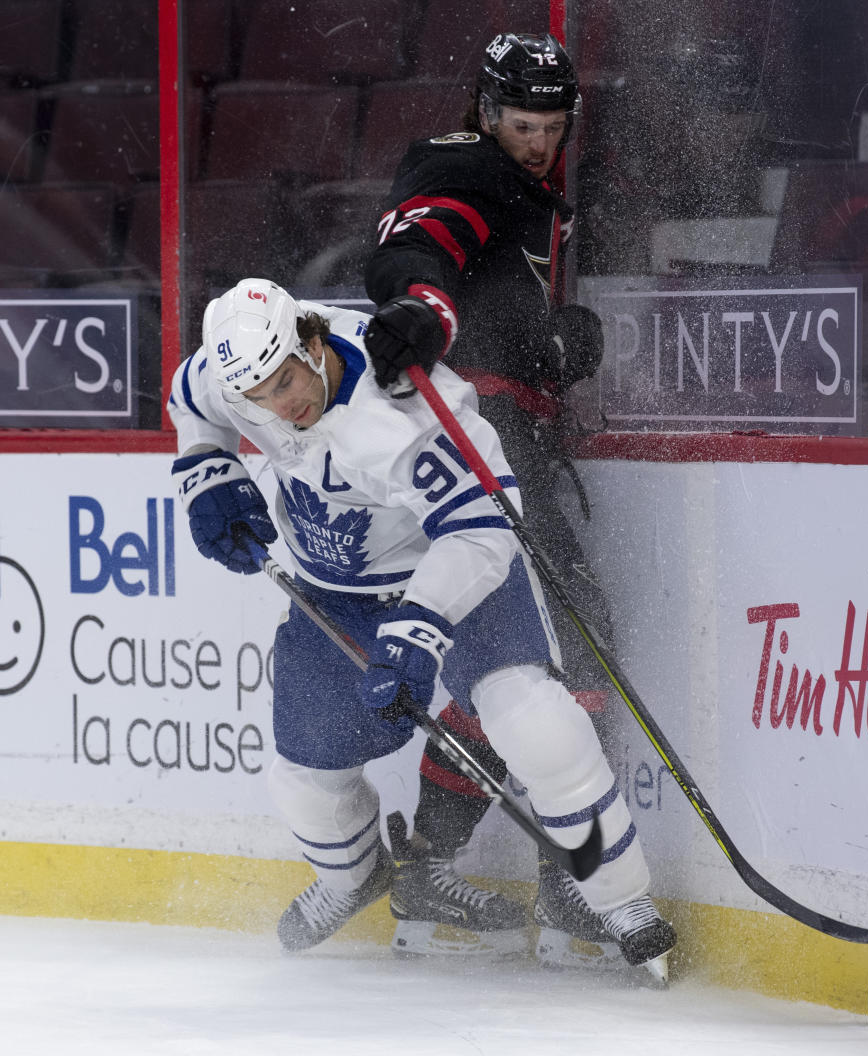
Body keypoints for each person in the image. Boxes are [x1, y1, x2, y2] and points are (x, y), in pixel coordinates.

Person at [166, 277, 676, 980]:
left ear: (312, 342)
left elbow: (482, 529)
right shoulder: (237, 377)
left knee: (536, 724)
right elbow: (190, 400)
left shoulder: (399, 410)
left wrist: (420, 627)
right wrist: (206, 468)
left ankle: (622, 902)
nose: (282, 407)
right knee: (304, 780)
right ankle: (354, 880)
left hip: (458, 569)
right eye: (262, 398)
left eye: (288, 381)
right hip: (337, 588)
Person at [362, 32, 632, 966]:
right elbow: (423, 240)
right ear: (486, 111)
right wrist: (416, 308)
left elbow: (495, 300)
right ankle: (574, 886)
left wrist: (553, 346)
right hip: (479, 446)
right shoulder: (464, 162)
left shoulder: (533, 189)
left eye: (553, 127)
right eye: (522, 124)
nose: (537, 143)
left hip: (503, 436)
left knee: (509, 663)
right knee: (577, 639)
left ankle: (429, 868)